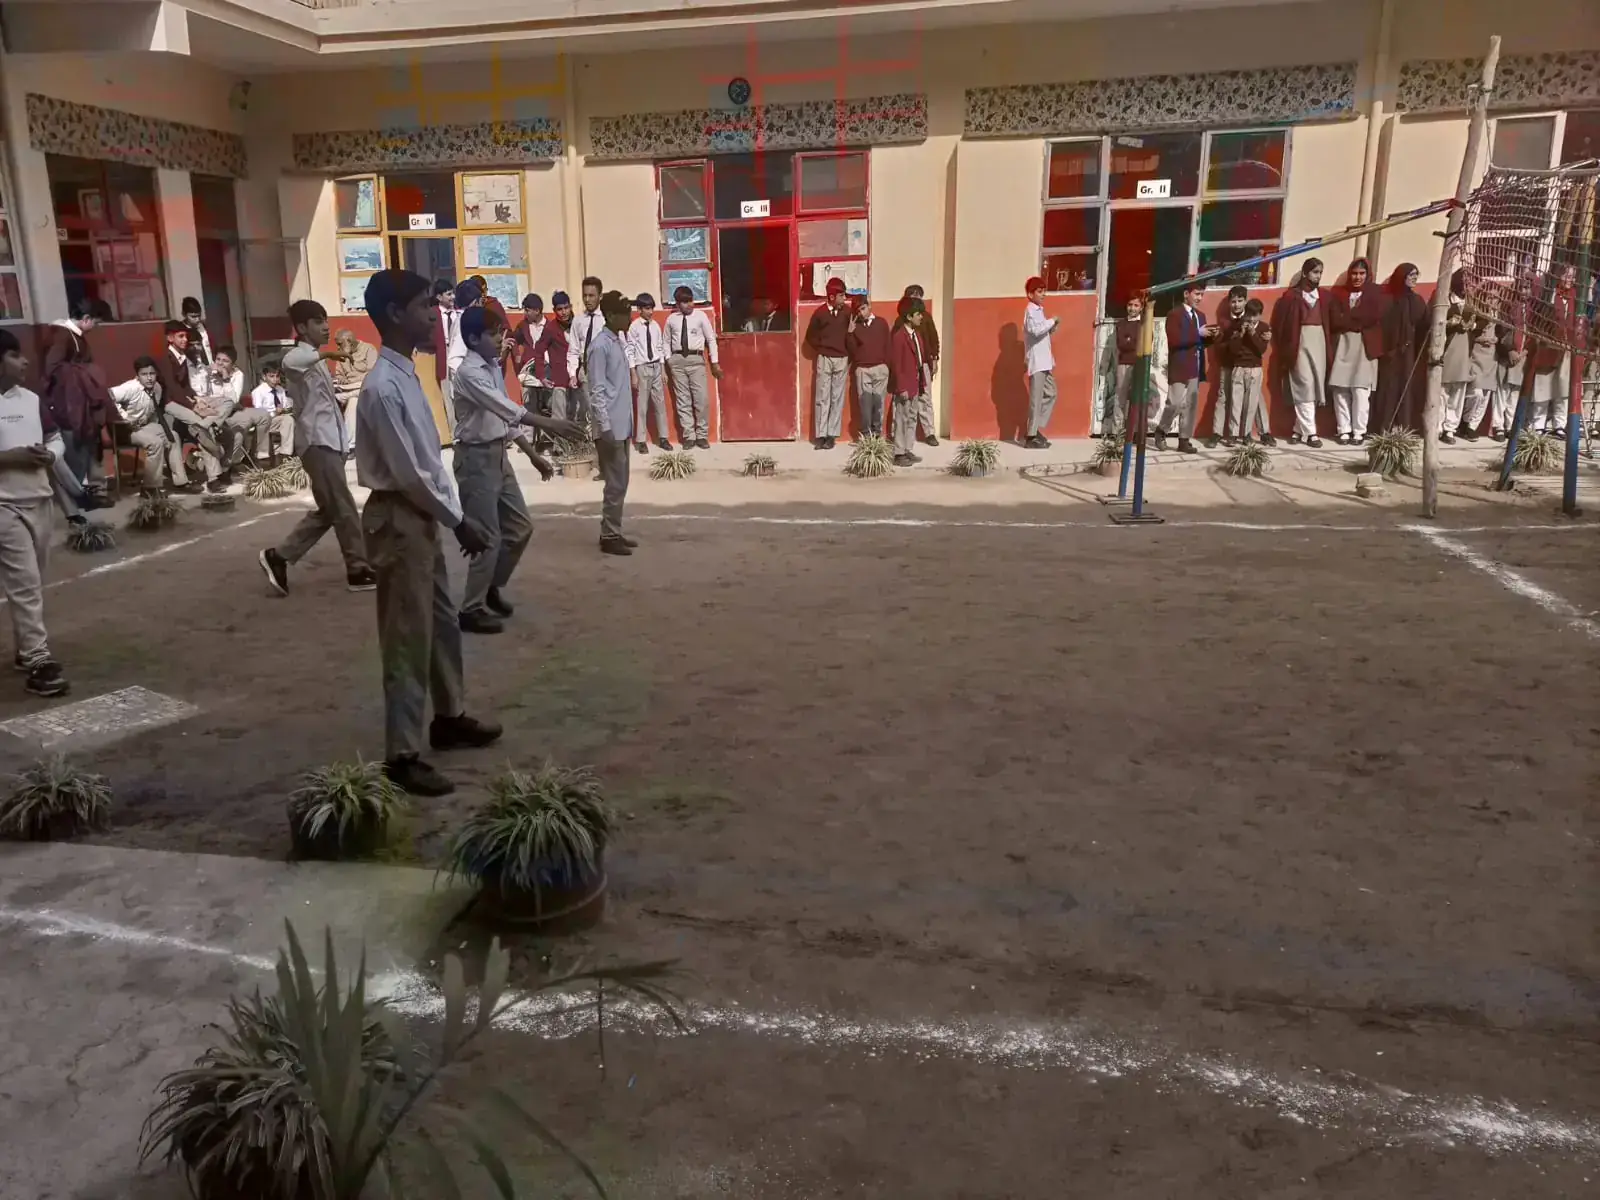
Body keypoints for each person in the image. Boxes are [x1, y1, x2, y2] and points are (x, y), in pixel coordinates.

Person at [356, 269, 499, 797]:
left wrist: (449, 514)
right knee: (406, 636)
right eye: (423, 306)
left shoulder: (407, 374)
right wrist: (459, 521)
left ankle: (449, 716)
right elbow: (410, 473)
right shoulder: (382, 387)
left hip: (419, 516)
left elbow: (429, 465)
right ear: (395, 314)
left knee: (440, 624)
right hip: (399, 517)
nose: (433, 316)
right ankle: (402, 755)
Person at [452, 306, 584, 629]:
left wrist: (532, 454)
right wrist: (551, 424)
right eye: (493, 333)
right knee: (487, 536)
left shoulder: (490, 367)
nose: (501, 338)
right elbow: (507, 408)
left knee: (520, 527)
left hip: (499, 455)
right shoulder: (468, 373)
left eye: (501, 332)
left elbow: (504, 420)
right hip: (475, 459)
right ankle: (470, 609)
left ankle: (490, 587)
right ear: (473, 339)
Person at [257, 300, 375, 598]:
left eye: (325, 320)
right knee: (344, 507)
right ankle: (358, 568)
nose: (326, 326)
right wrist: (327, 354)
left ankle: (279, 556)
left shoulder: (316, 358)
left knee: (330, 510)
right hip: (316, 442)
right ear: (301, 327)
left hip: (328, 442)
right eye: (318, 321)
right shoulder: (300, 356)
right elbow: (290, 363)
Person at [0, 330, 69, 697]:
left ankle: (24, 650)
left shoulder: (30, 400)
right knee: (25, 582)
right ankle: (39, 660)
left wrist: (50, 454)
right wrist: (8, 459)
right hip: (4, 506)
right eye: (14, 355)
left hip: (40, 500)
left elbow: (55, 437)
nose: (24, 360)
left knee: (33, 581)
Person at [41, 296, 113, 501]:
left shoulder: (75, 336)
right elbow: (51, 369)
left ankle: (94, 490)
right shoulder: (61, 335)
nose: (96, 328)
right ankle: (77, 494)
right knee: (75, 449)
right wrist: (83, 373)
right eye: (96, 323)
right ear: (86, 318)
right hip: (69, 404)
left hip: (83, 402)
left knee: (91, 444)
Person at [588, 291, 638, 556]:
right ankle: (609, 535)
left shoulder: (617, 340)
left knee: (621, 481)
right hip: (610, 427)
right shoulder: (600, 346)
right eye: (624, 313)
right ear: (609, 315)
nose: (629, 317)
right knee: (615, 483)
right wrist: (605, 426)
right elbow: (596, 390)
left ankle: (613, 530)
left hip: (621, 423)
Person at [155, 321, 230, 491]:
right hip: (169, 403)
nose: (185, 340)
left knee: (205, 424)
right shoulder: (165, 358)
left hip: (182, 401)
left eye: (186, 336)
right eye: (180, 336)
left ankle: (213, 477)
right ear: (170, 338)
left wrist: (196, 398)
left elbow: (185, 387)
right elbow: (172, 389)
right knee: (201, 423)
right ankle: (216, 466)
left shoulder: (182, 358)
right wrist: (193, 406)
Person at [1271, 258, 1331, 447]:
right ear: (1305, 273)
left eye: (1320, 272)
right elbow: (1280, 323)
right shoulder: (1291, 296)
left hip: (1318, 343)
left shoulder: (1324, 296)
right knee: (1303, 384)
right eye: (1315, 272)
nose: (1318, 276)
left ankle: (1298, 430)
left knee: (1313, 385)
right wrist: (1287, 345)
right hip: (1298, 343)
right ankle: (1311, 433)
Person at [109, 356, 191, 493]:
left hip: (144, 425)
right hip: (126, 430)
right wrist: (124, 417)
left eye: (152, 374)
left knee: (173, 436)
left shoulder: (157, 388)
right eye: (144, 374)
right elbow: (108, 395)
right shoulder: (131, 387)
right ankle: (150, 488)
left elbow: (153, 412)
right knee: (155, 442)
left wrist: (155, 428)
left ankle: (180, 482)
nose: (149, 378)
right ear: (137, 376)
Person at [1328, 258, 1384, 445]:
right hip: (1343, 345)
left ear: (1367, 275)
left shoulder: (1375, 292)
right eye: (1354, 273)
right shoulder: (1339, 294)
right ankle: (1343, 430)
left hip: (1365, 347)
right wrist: (1355, 320)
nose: (1357, 277)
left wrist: (1348, 318)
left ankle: (1359, 431)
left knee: (1360, 390)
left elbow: (1372, 317)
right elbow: (1335, 320)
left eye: (1361, 273)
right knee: (1340, 389)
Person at [663, 285, 720, 449]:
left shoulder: (700, 316)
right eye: (685, 302)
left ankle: (702, 435)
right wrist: (669, 359)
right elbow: (665, 341)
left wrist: (714, 361)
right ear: (677, 303)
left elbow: (711, 339)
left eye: (691, 301)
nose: (689, 305)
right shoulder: (671, 319)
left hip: (696, 360)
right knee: (683, 400)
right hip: (677, 361)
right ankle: (689, 436)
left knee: (701, 399)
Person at [1374, 263, 1429, 432]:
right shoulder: (1388, 299)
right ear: (1401, 277)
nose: (1414, 278)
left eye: (1416, 274)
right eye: (1411, 274)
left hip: (1409, 352)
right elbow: (1382, 326)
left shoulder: (1417, 300)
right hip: (1391, 352)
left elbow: (1424, 326)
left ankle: (1403, 428)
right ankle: (1385, 427)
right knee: (1389, 389)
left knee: (1407, 388)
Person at [1161, 282, 1214, 453]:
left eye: (1201, 295)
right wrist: (1198, 334)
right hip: (1179, 364)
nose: (1199, 298)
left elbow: (1202, 343)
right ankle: (1162, 430)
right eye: (1196, 294)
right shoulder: (1174, 314)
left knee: (1190, 405)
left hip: (1195, 365)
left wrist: (1213, 336)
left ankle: (1184, 440)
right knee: (1174, 402)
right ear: (1186, 294)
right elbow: (1174, 340)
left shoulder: (1201, 316)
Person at [1440, 270, 1488, 444]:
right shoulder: (1445, 299)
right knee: (1442, 392)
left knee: (1459, 392)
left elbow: (1484, 320)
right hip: (1447, 350)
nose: (1469, 285)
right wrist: (1450, 324)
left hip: (1464, 351)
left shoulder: (1472, 303)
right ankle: (1438, 427)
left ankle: (1450, 429)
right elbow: (1435, 321)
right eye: (1466, 280)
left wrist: (1472, 325)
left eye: (1471, 281)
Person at [806, 278, 851, 449]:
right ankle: (820, 435)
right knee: (822, 396)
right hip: (825, 358)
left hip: (842, 358)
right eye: (841, 295)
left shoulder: (847, 313)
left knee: (837, 397)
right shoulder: (820, 314)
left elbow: (852, 334)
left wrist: (847, 352)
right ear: (831, 297)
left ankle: (831, 435)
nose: (844, 298)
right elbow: (810, 336)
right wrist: (822, 348)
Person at [210, 345, 274, 463]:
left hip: (233, 410)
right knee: (242, 425)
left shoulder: (238, 374)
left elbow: (233, 400)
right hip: (216, 413)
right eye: (218, 359)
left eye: (225, 361)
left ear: (232, 364)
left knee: (264, 415)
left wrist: (226, 379)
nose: (220, 363)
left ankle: (260, 454)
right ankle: (232, 459)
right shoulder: (208, 372)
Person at [1207, 286, 1251, 447]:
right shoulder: (1223, 322)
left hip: (1246, 366)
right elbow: (1218, 346)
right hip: (1227, 365)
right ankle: (1217, 433)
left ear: (1246, 301)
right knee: (1223, 397)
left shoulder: (1251, 320)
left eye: (1240, 301)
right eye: (1233, 301)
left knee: (1248, 399)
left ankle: (1246, 433)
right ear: (1228, 303)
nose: (1237, 305)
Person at [627, 292, 671, 453]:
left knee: (660, 404)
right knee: (642, 405)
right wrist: (633, 373)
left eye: (651, 308)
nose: (650, 312)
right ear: (639, 309)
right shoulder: (634, 327)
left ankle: (663, 437)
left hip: (656, 366)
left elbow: (659, 347)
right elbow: (630, 350)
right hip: (642, 367)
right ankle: (641, 440)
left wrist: (663, 370)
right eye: (646, 308)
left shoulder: (655, 326)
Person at [1020, 277, 1059, 449]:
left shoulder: (1038, 310)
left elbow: (1041, 332)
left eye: (1044, 291)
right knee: (1036, 400)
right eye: (1039, 291)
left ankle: (1035, 429)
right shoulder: (1031, 310)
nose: (1043, 294)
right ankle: (1031, 435)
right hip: (1037, 362)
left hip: (1045, 361)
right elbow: (1035, 330)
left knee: (1051, 393)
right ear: (1030, 294)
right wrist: (1052, 321)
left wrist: (1051, 326)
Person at [846, 294, 891, 438]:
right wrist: (850, 333)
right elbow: (852, 350)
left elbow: (888, 345)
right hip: (863, 369)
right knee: (865, 405)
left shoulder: (881, 323)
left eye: (863, 308)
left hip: (880, 368)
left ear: (869, 306)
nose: (861, 313)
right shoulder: (856, 327)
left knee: (878, 404)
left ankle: (877, 435)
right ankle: (866, 436)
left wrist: (887, 367)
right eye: (858, 311)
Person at [889, 297, 927, 467]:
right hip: (905, 385)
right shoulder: (899, 337)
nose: (921, 317)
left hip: (915, 383)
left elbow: (919, 360)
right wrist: (901, 387)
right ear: (909, 316)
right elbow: (897, 365)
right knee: (901, 418)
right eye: (918, 314)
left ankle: (907, 448)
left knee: (912, 417)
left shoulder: (916, 335)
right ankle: (899, 452)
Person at [902, 284, 940, 445]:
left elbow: (934, 339)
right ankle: (902, 434)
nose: (916, 299)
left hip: (924, 363)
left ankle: (929, 433)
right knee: (906, 400)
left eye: (918, 296)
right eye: (913, 296)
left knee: (925, 398)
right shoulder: (901, 320)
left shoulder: (926, 318)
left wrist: (935, 359)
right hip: (908, 365)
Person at [531, 291, 576, 421]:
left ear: (571, 307)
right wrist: (541, 376)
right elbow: (538, 351)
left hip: (577, 380)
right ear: (554, 310)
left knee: (579, 420)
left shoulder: (578, 324)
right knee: (559, 421)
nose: (564, 312)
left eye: (566, 308)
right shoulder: (550, 329)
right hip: (559, 382)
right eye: (559, 309)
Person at [1232, 299, 1272, 445]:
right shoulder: (1238, 325)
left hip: (1255, 367)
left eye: (1254, 315)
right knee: (1236, 403)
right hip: (1240, 366)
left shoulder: (1264, 328)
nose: (1251, 318)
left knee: (1251, 404)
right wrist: (1241, 333)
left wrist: (1253, 333)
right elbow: (1233, 349)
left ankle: (1246, 433)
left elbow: (1261, 349)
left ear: (1260, 315)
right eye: (1249, 315)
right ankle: (1234, 434)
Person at [333, 328, 377, 452]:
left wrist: (353, 382)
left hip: (366, 387)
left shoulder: (369, 349)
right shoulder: (341, 354)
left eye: (340, 344)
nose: (338, 347)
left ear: (349, 341)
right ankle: (351, 446)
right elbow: (339, 375)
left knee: (365, 385)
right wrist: (342, 379)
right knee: (353, 401)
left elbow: (372, 373)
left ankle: (350, 445)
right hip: (351, 390)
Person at [569, 275, 606, 421]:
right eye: (584, 295)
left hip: (604, 371)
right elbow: (573, 349)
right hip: (585, 371)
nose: (587, 300)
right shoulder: (578, 320)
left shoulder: (606, 320)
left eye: (591, 295)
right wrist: (572, 373)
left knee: (604, 413)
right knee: (590, 412)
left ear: (600, 296)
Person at [247, 362, 296, 461]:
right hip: (263, 421)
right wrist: (274, 413)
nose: (275, 379)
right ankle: (262, 456)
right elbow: (259, 415)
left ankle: (285, 453)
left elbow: (283, 405)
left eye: (277, 376)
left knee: (289, 420)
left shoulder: (280, 390)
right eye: (271, 376)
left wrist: (285, 409)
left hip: (276, 420)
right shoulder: (258, 392)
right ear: (264, 377)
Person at [181, 297, 214, 364]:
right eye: (193, 317)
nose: (197, 319)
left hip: (211, 365)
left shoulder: (205, 326)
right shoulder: (180, 331)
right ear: (184, 314)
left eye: (199, 316)